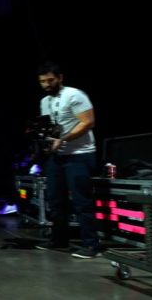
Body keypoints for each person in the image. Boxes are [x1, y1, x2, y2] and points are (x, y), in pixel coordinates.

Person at [34, 61, 100, 259]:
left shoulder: (75, 95)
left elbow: (88, 122)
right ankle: (59, 239)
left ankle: (91, 245)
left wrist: (62, 139)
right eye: (43, 82)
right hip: (58, 156)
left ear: (60, 78)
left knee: (82, 201)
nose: (47, 85)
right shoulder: (44, 101)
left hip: (80, 154)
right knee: (55, 200)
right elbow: (50, 127)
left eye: (50, 80)